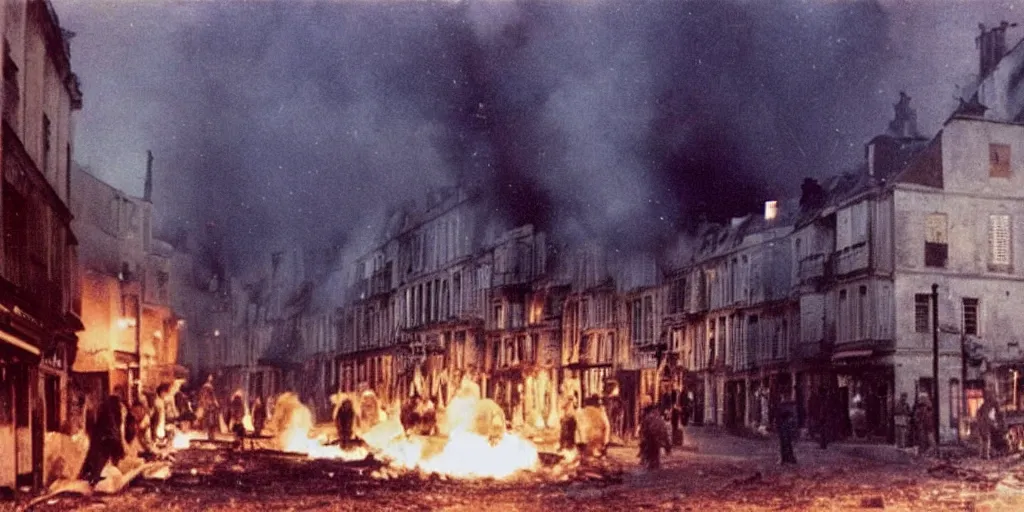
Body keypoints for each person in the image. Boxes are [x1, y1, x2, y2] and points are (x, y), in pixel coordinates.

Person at [79, 396, 128, 485]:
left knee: (97, 461)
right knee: (101, 463)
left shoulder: (104, 415)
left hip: (101, 441)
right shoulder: (114, 417)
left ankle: (91, 477)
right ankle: (94, 478)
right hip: (108, 441)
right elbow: (118, 433)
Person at [638, 404, 671, 470]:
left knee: (650, 451)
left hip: (651, 438)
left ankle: (648, 463)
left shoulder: (647, 418)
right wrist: (667, 445)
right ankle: (655, 465)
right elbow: (664, 432)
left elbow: (643, 431)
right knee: (655, 453)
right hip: (658, 439)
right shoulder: (659, 418)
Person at [976, 390, 1001, 460]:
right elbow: (989, 417)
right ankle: (986, 456)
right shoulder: (990, 406)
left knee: (983, 440)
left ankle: (982, 455)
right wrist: (995, 425)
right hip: (984, 425)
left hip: (981, 424)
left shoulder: (984, 405)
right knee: (986, 440)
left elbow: (978, 413)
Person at [776, 388, 798, 465]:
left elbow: (788, 414)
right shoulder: (785, 404)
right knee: (785, 442)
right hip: (783, 425)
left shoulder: (786, 405)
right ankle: (786, 458)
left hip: (785, 425)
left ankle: (787, 458)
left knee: (785, 442)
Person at [197, 375, 220, 441]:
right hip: (210, 406)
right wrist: (216, 403)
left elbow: (203, 397)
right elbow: (213, 396)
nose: (211, 378)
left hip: (208, 406)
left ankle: (210, 435)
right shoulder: (209, 387)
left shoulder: (205, 387)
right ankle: (210, 436)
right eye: (210, 377)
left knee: (210, 421)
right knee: (211, 421)